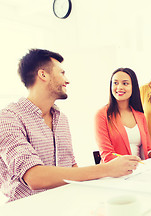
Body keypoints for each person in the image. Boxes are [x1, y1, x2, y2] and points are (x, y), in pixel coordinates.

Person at [0, 49, 140, 202]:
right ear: (43, 75)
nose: (67, 80)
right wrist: (106, 169)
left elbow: (71, 166)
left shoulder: (61, 119)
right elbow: (34, 177)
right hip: (27, 214)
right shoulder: (8, 118)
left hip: (66, 206)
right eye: (62, 73)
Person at [95, 67, 151, 163]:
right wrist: (130, 163)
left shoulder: (140, 116)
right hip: (116, 173)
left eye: (125, 83)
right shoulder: (102, 115)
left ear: (133, 87)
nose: (119, 87)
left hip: (140, 170)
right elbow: (107, 155)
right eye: (115, 83)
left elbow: (148, 152)